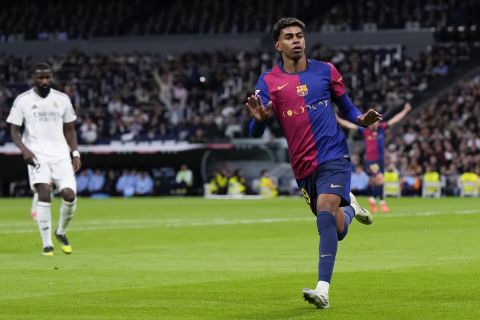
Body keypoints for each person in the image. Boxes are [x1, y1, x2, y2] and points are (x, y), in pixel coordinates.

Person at [245, 17, 379, 309]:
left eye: (299, 36)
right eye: (289, 37)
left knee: (325, 212)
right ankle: (352, 209)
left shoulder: (326, 71)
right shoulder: (268, 82)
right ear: (278, 44)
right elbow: (255, 126)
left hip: (333, 155)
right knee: (337, 226)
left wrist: (359, 119)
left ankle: (323, 289)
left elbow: (347, 105)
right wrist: (258, 122)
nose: (296, 40)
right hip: (303, 166)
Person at [7, 62, 81, 256]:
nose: (44, 81)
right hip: (37, 155)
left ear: (52, 77)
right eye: (40, 77)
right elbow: (14, 130)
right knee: (44, 192)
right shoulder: (22, 100)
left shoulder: (62, 99)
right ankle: (47, 244)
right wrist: (24, 150)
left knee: (69, 195)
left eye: (47, 77)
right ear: (33, 78)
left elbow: (70, 129)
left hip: (60, 155)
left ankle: (61, 232)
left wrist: (75, 153)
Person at [337, 102, 412, 213]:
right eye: (373, 122)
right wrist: (338, 119)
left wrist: (405, 111)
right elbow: (350, 125)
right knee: (381, 180)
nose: (375, 124)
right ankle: (382, 202)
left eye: (376, 121)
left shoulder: (381, 128)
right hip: (371, 161)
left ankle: (372, 198)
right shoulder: (365, 131)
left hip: (380, 160)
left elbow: (395, 120)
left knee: (376, 182)